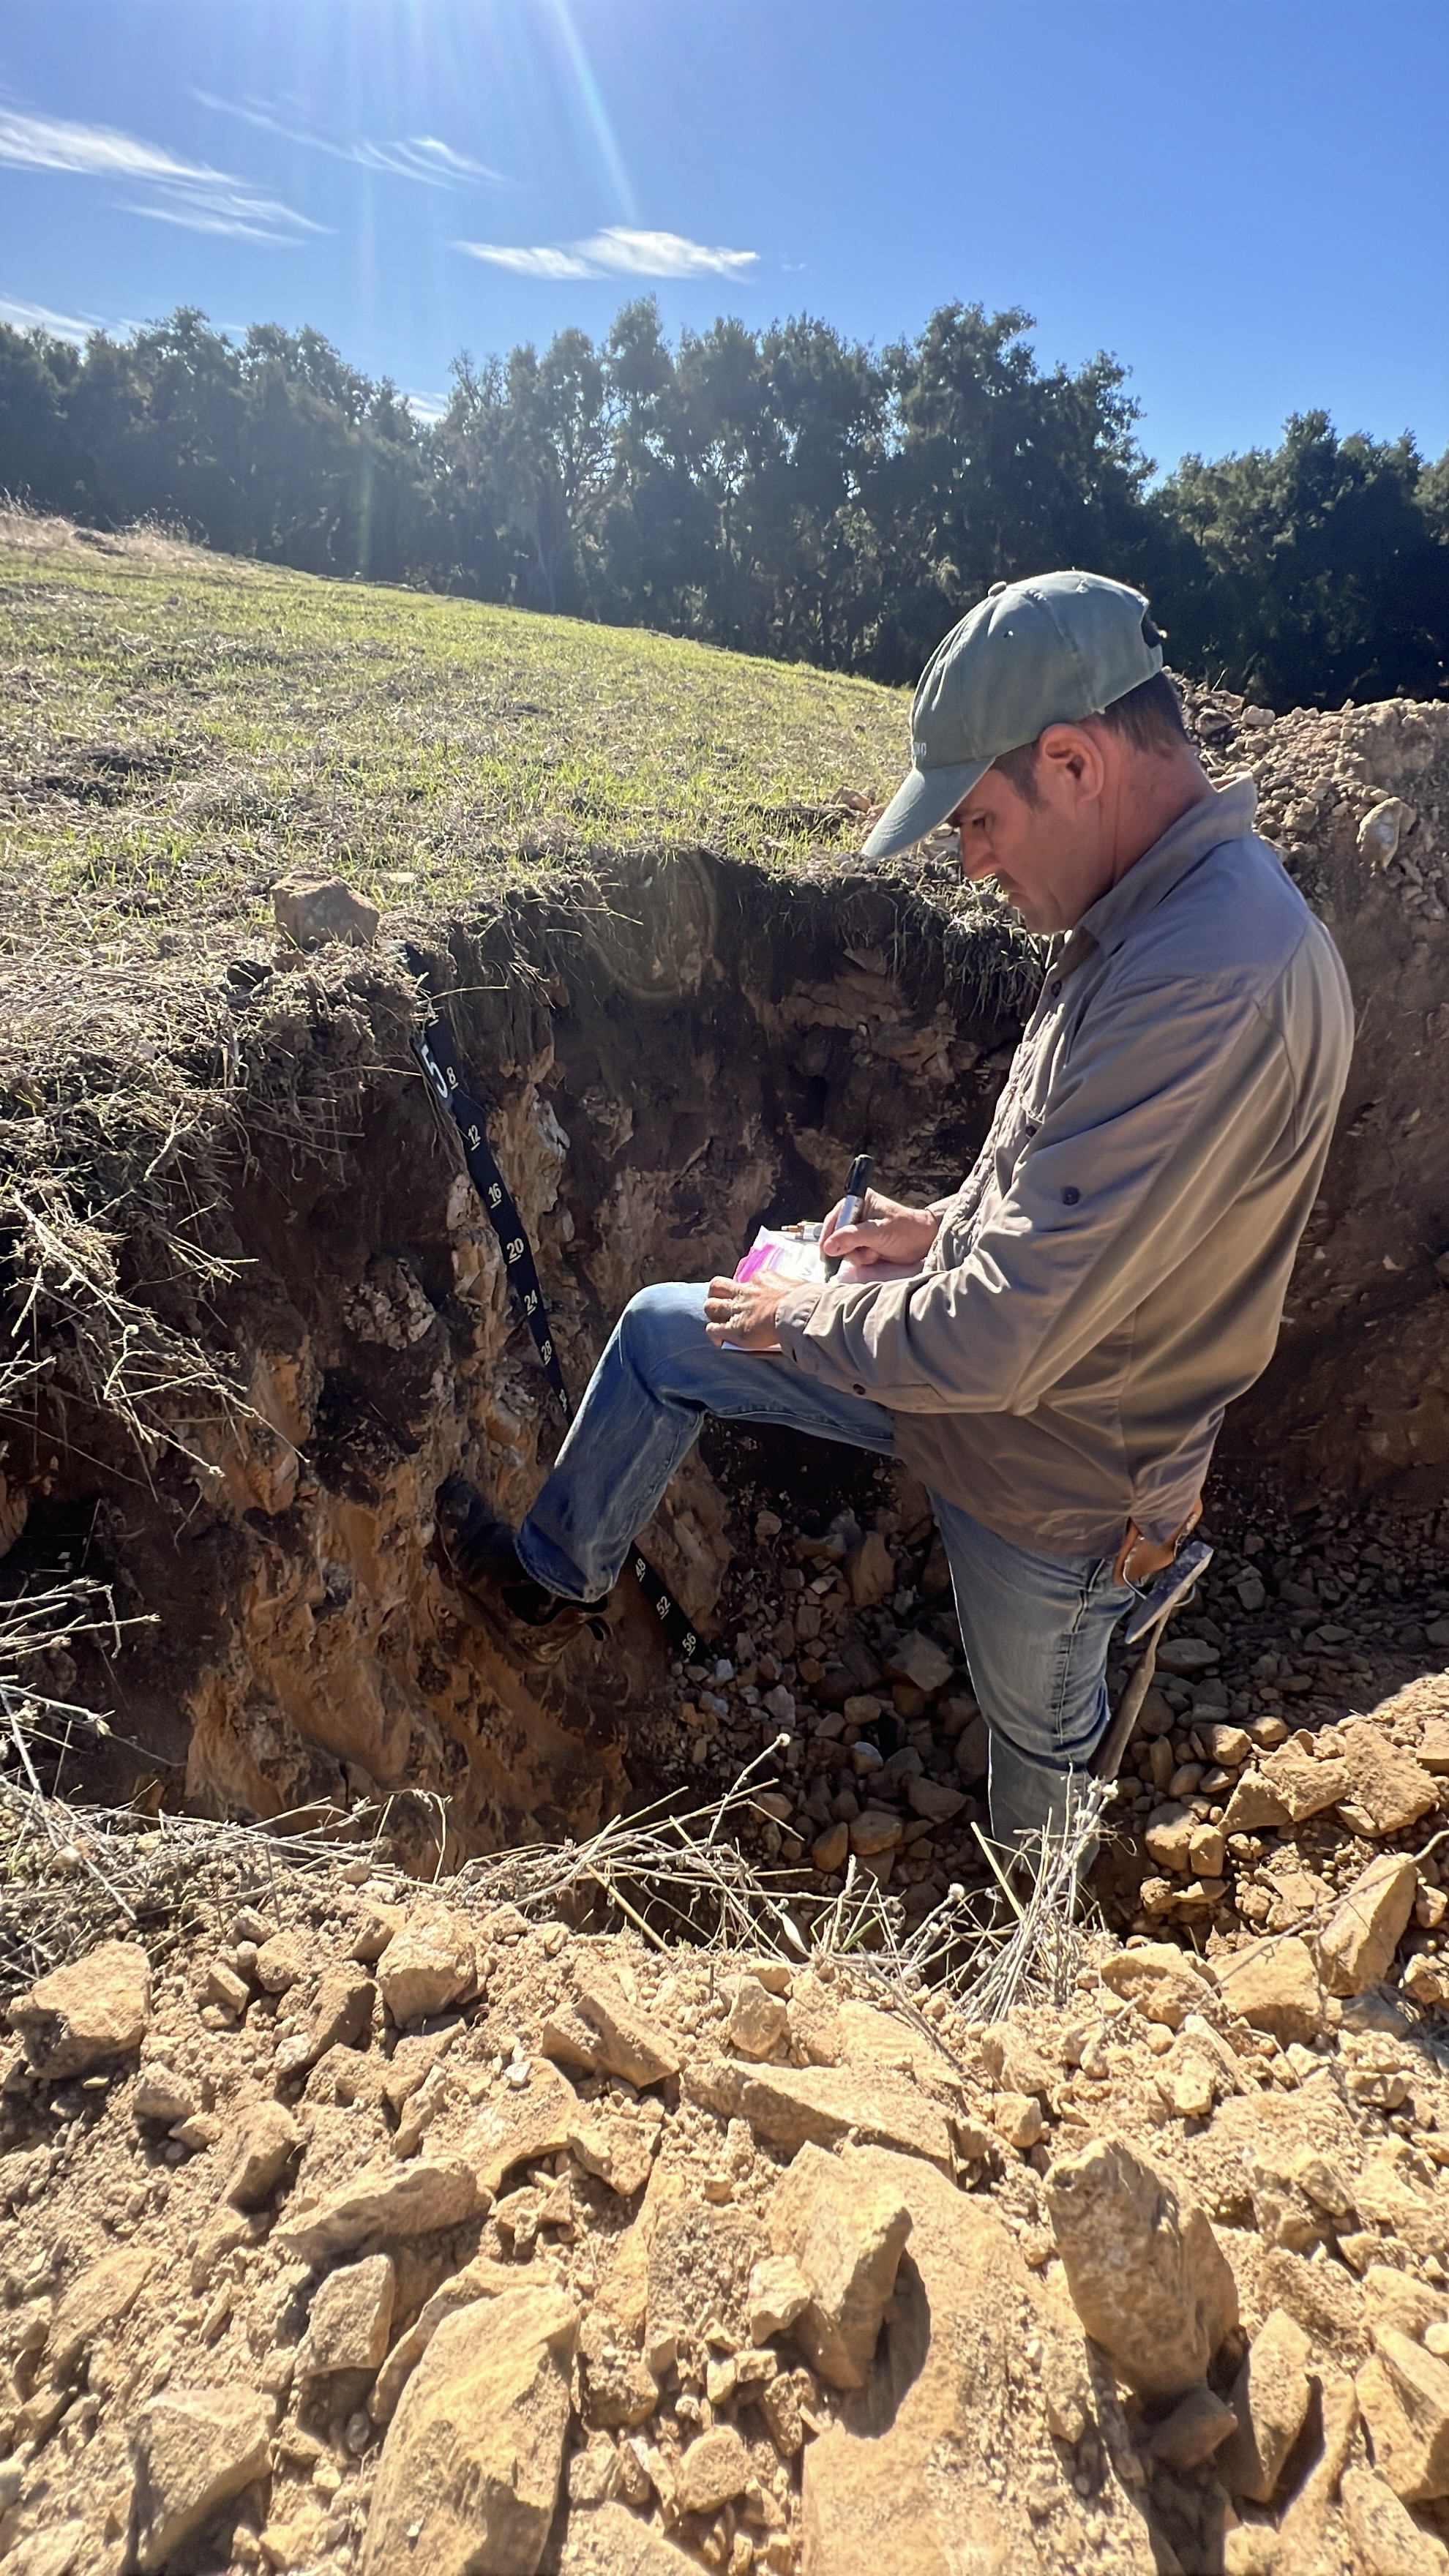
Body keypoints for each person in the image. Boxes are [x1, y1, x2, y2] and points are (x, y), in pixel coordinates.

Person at [439, 570, 1353, 1865]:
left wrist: (809, 1315)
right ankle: (554, 1582)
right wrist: (941, 1230)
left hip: (1065, 1482)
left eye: (979, 818)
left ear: (1075, 761)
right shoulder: (1159, 918)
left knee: (1037, 1754)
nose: (970, 861)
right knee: (661, 1336)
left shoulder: (1205, 979)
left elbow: (1005, 1341)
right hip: (1002, 1385)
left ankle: (1037, 1989)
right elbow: (1105, 1212)